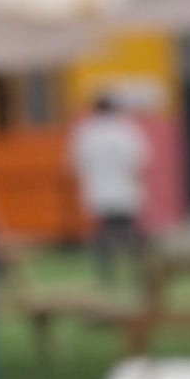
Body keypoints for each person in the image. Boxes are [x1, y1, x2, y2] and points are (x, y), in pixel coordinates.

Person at [67, 83, 157, 269]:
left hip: (98, 188)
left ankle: (106, 268)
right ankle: (138, 265)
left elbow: (75, 163)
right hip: (125, 186)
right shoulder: (125, 130)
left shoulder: (86, 132)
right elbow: (139, 158)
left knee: (104, 229)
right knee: (127, 227)